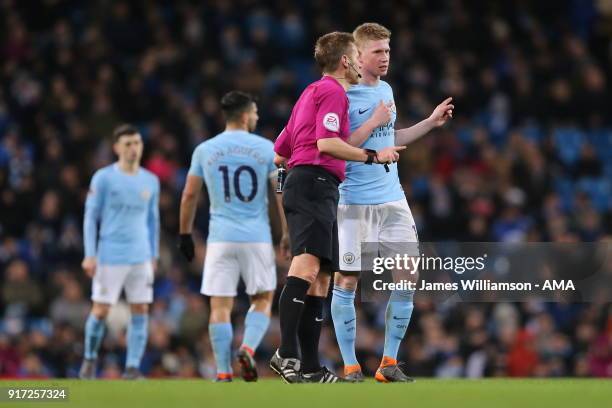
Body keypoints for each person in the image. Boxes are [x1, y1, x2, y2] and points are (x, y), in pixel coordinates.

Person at [271, 31, 406, 384]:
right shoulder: (333, 91)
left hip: (316, 186)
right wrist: (373, 155)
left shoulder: (308, 94)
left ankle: (312, 367)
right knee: (307, 266)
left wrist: (292, 181)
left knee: (323, 278)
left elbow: (279, 152)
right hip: (315, 182)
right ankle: (286, 354)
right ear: (347, 60)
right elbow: (328, 142)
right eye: (356, 56)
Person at [330, 22, 454, 383]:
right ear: (358, 55)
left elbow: (391, 137)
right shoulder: (342, 94)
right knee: (348, 278)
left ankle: (388, 363)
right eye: (378, 52)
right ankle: (351, 365)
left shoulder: (386, 89)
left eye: (387, 50)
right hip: (353, 200)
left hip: (392, 197)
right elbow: (337, 147)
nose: (385, 58)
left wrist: (430, 123)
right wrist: (373, 122)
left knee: (407, 274)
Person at [178, 91, 289, 382]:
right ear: (244, 115)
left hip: (220, 238)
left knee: (220, 306)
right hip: (256, 237)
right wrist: (287, 231)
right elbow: (280, 192)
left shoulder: (205, 150)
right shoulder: (267, 148)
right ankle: (248, 349)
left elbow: (189, 194)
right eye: (254, 113)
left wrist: (185, 233)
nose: (257, 117)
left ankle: (223, 371)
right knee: (263, 298)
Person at [80, 124, 160, 379]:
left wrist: (154, 255)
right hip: (110, 254)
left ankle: (132, 367)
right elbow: (90, 217)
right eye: (127, 144)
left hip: (140, 256)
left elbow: (152, 220)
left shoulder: (150, 180)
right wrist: (90, 253)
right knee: (100, 311)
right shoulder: (103, 178)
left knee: (140, 311)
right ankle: (90, 358)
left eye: (137, 143)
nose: (133, 148)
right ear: (116, 148)